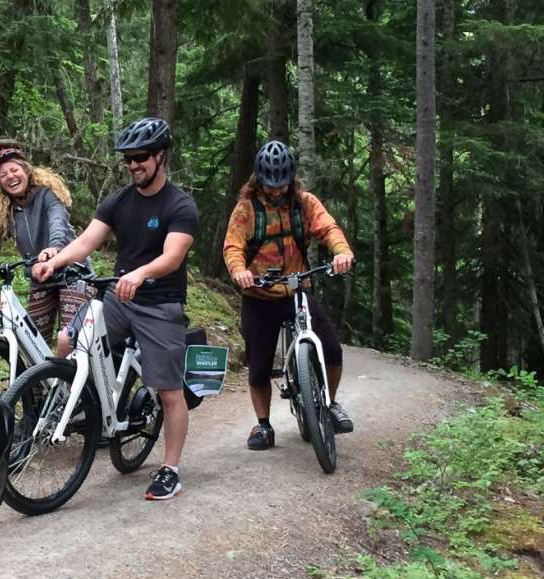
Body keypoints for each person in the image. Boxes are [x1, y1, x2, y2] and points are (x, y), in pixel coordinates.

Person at [33, 117, 199, 501]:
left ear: (160, 157)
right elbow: (88, 240)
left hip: (160, 304)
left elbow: (172, 256)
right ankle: (89, 407)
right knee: (67, 341)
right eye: (127, 159)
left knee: (170, 392)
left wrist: (140, 274)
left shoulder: (180, 205)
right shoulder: (119, 200)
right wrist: (54, 262)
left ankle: (170, 469)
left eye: (140, 157)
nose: (132, 165)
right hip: (119, 299)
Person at [222, 140, 355, 451]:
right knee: (258, 364)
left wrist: (342, 251)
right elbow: (232, 247)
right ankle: (263, 425)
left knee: (332, 350)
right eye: (271, 185)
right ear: (259, 180)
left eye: (283, 184)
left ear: (291, 178)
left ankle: (330, 403)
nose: (278, 191)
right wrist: (240, 270)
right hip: (259, 295)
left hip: (298, 290)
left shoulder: (305, 203)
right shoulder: (246, 210)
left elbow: (329, 229)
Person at [0, 147, 88, 355]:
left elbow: (57, 221)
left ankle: (75, 383)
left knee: (70, 339)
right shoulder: (6, 209)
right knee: (31, 342)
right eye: (3, 175)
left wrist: (54, 248)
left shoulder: (47, 195)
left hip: (72, 273)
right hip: (41, 278)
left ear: (26, 170)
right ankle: (39, 386)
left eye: (14, 170)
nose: (10, 177)